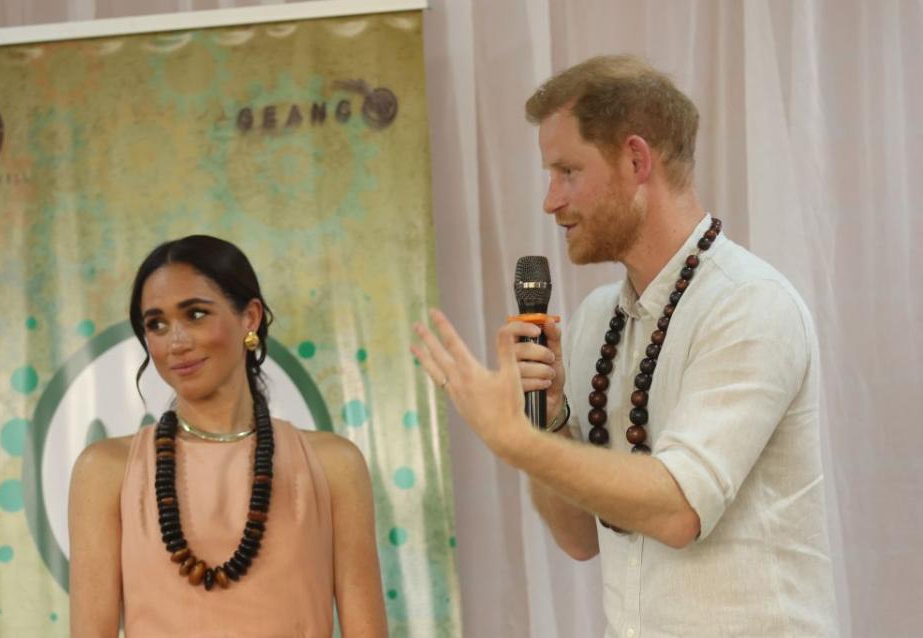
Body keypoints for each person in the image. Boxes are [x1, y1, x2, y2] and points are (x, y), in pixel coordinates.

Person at [412, 55, 837, 636]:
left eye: (567, 172)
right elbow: (579, 537)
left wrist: (514, 441)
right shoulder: (593, 320)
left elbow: (680, 510)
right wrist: (549, 419)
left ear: (636, 159)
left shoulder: (750, 304)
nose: (550, 202)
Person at [69, 235, 387, 637]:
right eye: (157, 324)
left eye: (196, 314)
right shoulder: (105, 472)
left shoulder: (334, 464)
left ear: (249, 318)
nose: (177, 342)